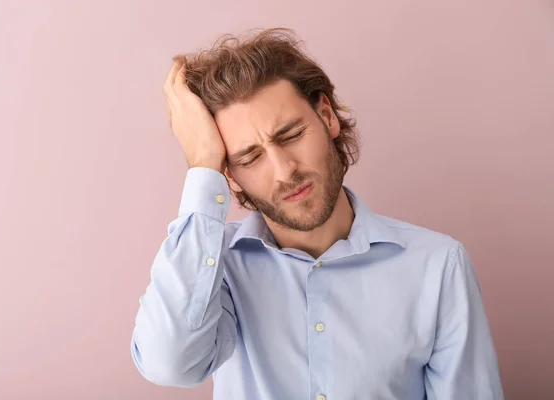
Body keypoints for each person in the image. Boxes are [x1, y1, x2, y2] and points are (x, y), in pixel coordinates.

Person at [130, 28, 504, 400]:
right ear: (231, 178)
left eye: (291, 134)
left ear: (327, 116)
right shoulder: (214, 268)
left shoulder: (438, 265)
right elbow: (171, 365)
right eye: (250, 157)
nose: (284, 170)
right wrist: (203, 167)